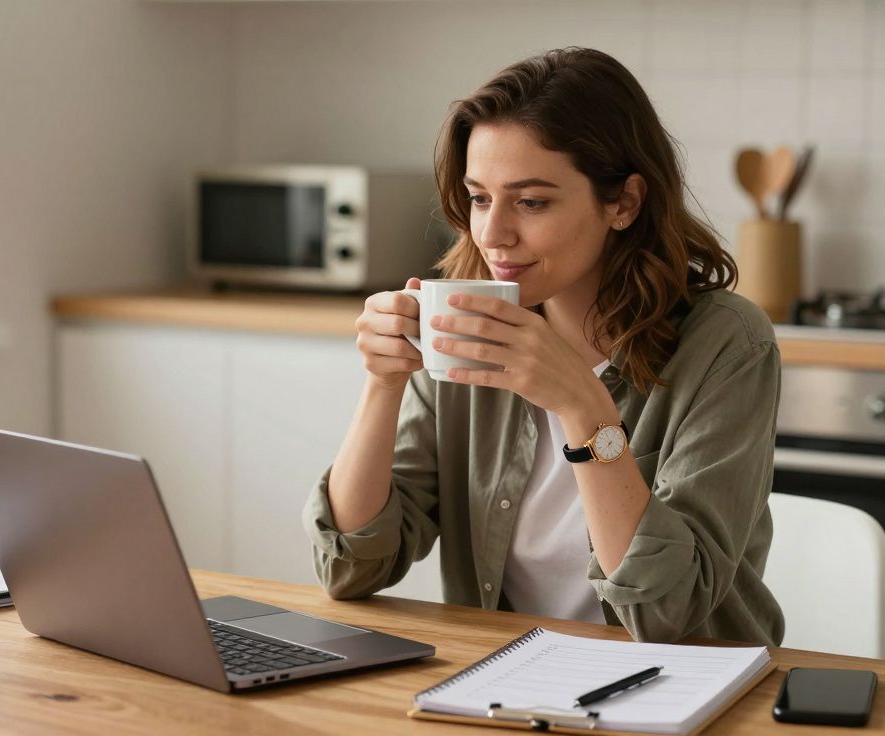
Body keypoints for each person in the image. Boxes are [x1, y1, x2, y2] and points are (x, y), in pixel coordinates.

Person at [302, 47, 784, 646]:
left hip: (684, 694)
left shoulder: (727, 345)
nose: (494, 233)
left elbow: (666, 615)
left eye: (531, 202)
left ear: (623, 203)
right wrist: (382, 383)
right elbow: (352, 567)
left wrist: (585, 410)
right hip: (506, 683)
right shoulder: (465, 324)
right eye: (480, 198)